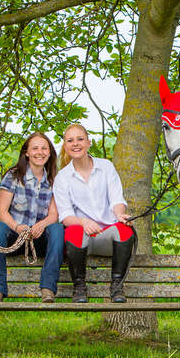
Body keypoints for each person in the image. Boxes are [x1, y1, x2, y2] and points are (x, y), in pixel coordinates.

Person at [52, 123, 136, 303]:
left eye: (80, 139)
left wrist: (120, 215)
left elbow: (116, 200)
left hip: (108, 235)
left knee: (125, 229)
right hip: (83, 239)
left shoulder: (106, 167)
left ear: (89, 142)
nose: (76, 144)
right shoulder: (62, 178)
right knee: (72, 231)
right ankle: (79, 288)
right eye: (70, 140)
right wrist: (83, 222)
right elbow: (65, 216)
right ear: (65, 146)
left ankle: (117, 287)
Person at [0, 132, 65, 303]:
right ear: (27, 153)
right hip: (16, 236)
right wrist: (17, 227)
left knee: (58, 229)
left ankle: (48, 288)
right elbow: (2, 210)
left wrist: (41, 225)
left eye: (44, 148)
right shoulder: (13, 176)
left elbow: (54, 215)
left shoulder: (54, 180)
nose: (40, 152)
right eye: (35, 148)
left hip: (39, 239)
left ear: (50, 152)